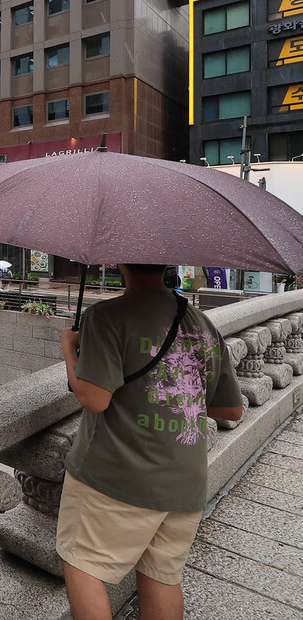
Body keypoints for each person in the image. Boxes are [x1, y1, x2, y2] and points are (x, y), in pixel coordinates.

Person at [57, 263, 243, 620]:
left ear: (120, 262)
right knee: (163, 577)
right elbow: (230, 409)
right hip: (184, 482)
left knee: (83, 563)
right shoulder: (201, 324)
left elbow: (95, 399)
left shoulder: (105, 316)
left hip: (117, 478)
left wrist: (69, 347)